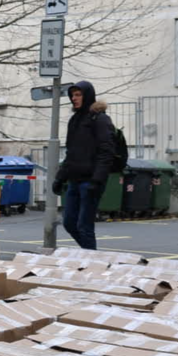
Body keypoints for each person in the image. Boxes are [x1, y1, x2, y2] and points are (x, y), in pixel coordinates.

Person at [53, 80, 117, 250]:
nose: (74, 98)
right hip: (75, 181)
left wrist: (97, 180)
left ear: (87, 95)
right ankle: (91, 255)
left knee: (84, 226)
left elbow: (106, 152)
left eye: (78, 94)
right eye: (72, 95)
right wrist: (60, 178)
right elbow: (71, 154)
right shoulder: (74, 121)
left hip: (91, 181)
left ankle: (92, 262)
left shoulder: (100, 119)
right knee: (69, 223)